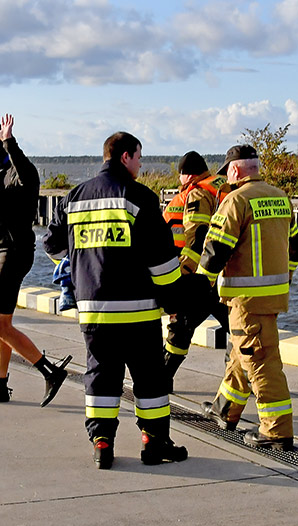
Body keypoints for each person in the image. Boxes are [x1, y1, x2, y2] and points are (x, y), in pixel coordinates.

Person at [44, 131, 206, 468]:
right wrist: (174, 299)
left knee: (101, 377)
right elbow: (161, 262)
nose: (141, 163)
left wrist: (82, 263)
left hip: (93, 313)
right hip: (138, 313)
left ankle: (102, 442)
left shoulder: (75, 197)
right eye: (139, 157)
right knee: (150, 380)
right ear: (124, 157)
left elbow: (53, 245)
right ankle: (153, 442)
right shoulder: (138, 198)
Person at [198, 144, 298, 451]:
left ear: (234, 170)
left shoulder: (235, 201)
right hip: (273, 294)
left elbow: (216, 250)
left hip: (245, 298)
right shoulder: (280, 198)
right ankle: (225, 410)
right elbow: (294, 248)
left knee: (260, 361)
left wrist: (199, 288)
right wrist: (287, 278)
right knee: (242, 355)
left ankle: (276, 430)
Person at [0, 114, 72, 407]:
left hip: (13, 255)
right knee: (0, 323)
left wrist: (9, 141)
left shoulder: (16, 174)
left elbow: (28, 174)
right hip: (0, 255)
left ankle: (49, 371)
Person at [162, 151, 230, 391]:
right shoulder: (223, 186)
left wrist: (185, 271)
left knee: (180, 325)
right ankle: (240, 380)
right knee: (236, 328)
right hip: (227, 273)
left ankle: (163, 378)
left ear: (187, 174)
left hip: (203, 276)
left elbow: (196, 236)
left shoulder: (198, 192)